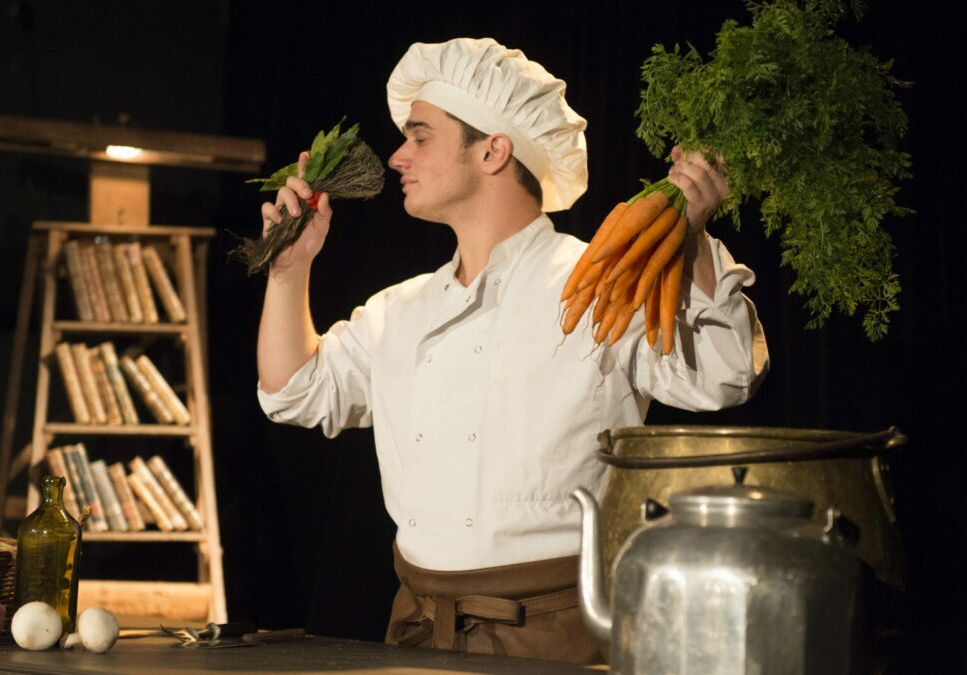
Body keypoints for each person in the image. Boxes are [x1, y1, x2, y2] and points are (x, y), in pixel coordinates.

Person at [255, 37, 768, 665]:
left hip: (557, 636)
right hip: (418, 634)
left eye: (419, 137)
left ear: (493, 150)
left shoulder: (600, 283)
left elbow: (724, 376)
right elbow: (292, 393)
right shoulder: (399, 310)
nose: (397, 157)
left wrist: (694, 235)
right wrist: (289, 270)